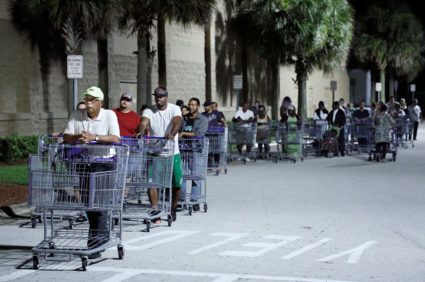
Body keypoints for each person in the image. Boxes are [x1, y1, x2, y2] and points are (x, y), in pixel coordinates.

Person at [63, 86, 120, 259]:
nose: (89, 102)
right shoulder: (76, 115)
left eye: (93, 100)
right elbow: (66, 136)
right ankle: (101, 235)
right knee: (89, 203)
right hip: (85, 162)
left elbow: (115, 138)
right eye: (87, 99)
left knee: (99, 203)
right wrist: (77, 138)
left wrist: (94, 137)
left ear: (100, 102)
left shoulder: (109, 115)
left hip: (105, 163)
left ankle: (94, 244)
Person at [135, 87, 183, 222]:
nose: (159, 99)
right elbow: (143, 121)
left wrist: (172, 134)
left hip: (172, 152)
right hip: (154, 152)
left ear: (166, 97)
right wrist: (140, 131)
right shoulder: (149, 110)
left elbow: (176, 122)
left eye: (161, 96)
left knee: (177, 184)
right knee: (152, 183)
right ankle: (155, 210)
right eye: (156, 96)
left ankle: (173, 208)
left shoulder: (174, 109)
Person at [179, 98, 208, 210]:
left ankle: (194, 201)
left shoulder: (203, 119)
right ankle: (181, 200)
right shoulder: (184, 119)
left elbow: (199, 133)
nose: (191, 107)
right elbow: (178, 130)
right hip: (184, 150)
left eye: (193, 105)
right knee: (182, 176)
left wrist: (184, 133)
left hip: (196, 150)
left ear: (198, 106)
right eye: (190, 105)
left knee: (196, 177)